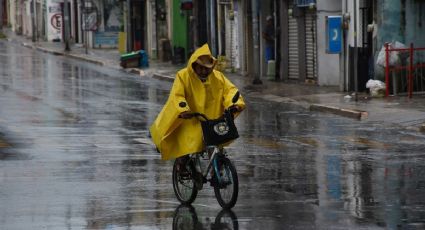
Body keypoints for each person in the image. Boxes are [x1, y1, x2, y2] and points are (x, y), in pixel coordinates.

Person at [149, 44, 246, 162]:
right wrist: (184, 110)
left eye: (207, 68)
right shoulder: (183, 76)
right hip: (190, 119)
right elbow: (177, 96)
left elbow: (230, 91)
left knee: (216, 147)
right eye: (201, 68)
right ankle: (183, 164)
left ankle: (217, 172)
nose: (204, 71)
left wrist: (234, 104)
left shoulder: (217, 77)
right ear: (194, 65)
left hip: (212, 121)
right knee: (186, 148)